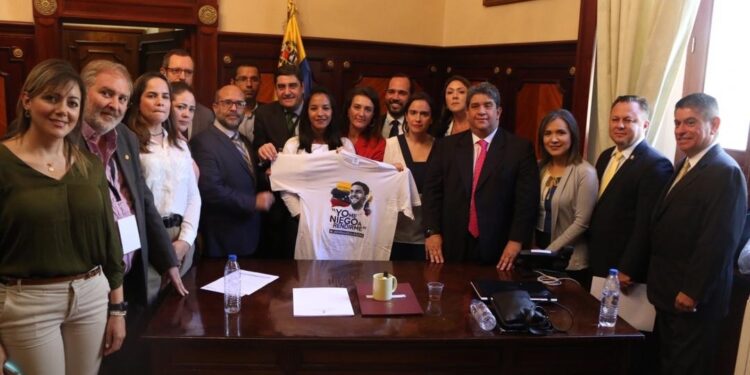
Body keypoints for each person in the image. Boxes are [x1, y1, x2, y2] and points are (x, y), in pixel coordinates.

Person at [0, 59, 124, 374]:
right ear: (27, 100)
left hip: (90, 296)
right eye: (51, 98)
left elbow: (109, 239)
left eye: (72, 103)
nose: (63, 111)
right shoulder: (4, 162)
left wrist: (117, 309)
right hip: (26, 302)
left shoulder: (88, 164)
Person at [648, 93, 747, 375]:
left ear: (714, 124)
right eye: (677, 123)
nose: (680, 130)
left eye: (690, 122)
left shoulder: (724, 171)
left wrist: (693, 291)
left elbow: (719, 240)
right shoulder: (686, 164)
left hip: (692, 301)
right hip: (668, 293)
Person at [422, 82, 539, 269]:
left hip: (500, 249)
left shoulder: (519, 149)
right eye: (475, 106)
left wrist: (517, 240)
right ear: (467, 113)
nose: (481, 111)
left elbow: (527, 202)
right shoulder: (446, 147)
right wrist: (431, 232)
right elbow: (431, 193)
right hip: (450, 246)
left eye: (488, 105)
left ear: (498, 112)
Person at [588, 95, 673, 288]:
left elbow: (646, 224)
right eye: (615, 119)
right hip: (598, 259)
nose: (619, 125)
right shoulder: (605, 156)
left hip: (623, 269)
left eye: (628, 120)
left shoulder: (656, 164)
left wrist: (629, 267)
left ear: (645, 125)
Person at [125, 72, 201, 277]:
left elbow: (193, 197)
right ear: (137, 101)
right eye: (152, 96)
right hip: (146, 237)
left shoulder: (179, 144)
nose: (160, 102)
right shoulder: (127, 142)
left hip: (181, 234)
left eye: (165, 96)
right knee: (150, 305)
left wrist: (185, 240)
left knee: (181, 306)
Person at [190, 85, 274, 258]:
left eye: (239, 104)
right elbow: (211, 191)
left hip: (251, 238)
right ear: (215, 106)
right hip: (222, 242)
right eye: (227, 103)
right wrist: (253, 203)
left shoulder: (244, 140)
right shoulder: (202, 142)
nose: (234, 109)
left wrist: (266, 176)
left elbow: (247, 179)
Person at [533, 109, 597, 287]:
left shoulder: (585, 172)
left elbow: (581, 222)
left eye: (561, 132)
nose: (553, 139)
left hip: (568, 261)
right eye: (548, 133)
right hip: (538, 253)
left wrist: (548, 252)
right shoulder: (539, 167)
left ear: (573, 136)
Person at [253, 63, 305, 259]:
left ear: (302, 87)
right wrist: (261, 154)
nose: (287, 92)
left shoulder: (316, 111)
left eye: (292, 86)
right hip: (275, 211)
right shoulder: (264, 114)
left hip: (309, 204)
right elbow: (258, 158)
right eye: (281, 87)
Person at [279, 85, 355, 216]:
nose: (320, 113)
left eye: (326, 108)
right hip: (301, 220)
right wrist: (301, 216)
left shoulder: (346, 145)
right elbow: (286, 187)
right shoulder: (292, 145)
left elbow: (351, 183)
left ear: (332, 112)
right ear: (306, 112)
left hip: (335, 219)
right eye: (314, 108)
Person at [383, 92, 436, 260]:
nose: (418, 118)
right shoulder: (390, 145)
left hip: (427, 236)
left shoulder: (441, 147)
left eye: (424, 114)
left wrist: (434, 232)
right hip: (395, 233)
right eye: (413, 113)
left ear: (431, 118)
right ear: (406, 116)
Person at [160, 49, 215, 139]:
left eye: (188, 72)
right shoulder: (154, 110)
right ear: (163, 73)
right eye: (176, 71)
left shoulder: (206, 116)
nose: (182, 77)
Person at [343, 86, 386, 161]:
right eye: (357, 107)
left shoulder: (379, 144)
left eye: (368, 109)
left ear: (373, 115)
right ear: (348, 110)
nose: (361, 114)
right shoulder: (334, 136)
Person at [231, 63, 263, 144]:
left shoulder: (269, 114)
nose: (249, 84)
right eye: (243, 79)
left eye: (254, 79)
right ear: (233, 82)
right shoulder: (224, 113)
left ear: (260, 83)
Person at [380, 74, 412, 138]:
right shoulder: (374, 124)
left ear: (410, 97)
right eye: (391, 92)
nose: (395, 98)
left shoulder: (416, 126)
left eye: (402, 93)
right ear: (385, 94)